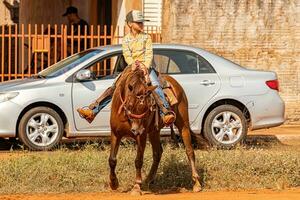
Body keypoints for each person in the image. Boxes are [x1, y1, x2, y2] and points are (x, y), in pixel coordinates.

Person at [77, 10, 175, 126]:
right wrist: (132, 63)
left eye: (142, 22)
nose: (141, 24)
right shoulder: (126, 39)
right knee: (115, 87)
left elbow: (149, 53)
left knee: (156, 86)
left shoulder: (146, 37)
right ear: (130, 24)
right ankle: (92, 111)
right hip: (132, 67)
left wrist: (145, 66)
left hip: (146, 67)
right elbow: (127, 54)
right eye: (138, 22)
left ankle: (165, 113)